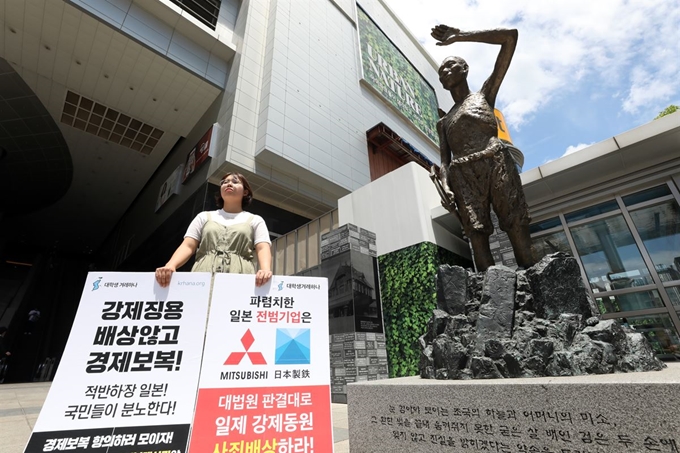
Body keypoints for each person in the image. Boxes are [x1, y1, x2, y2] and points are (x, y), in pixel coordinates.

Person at [432, 24, 534, 272]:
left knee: (515, 221)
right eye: (440, 70)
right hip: (463, 176)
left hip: (494, 160)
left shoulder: (484, 95)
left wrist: (461, 36)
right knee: (475, 233)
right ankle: (491, 290)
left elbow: (510, 38)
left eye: (450, 65)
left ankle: (532, 275)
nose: (444, 71)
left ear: (465, 69)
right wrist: (445, 186)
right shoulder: (443, 122)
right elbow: (445, 161)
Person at [155, 172, 273, 287]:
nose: (229, 184)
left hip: (240, 274)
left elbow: (262, 247)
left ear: (245, 192)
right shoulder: (204, 216)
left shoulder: (255, 220)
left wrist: (265, 270)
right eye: (224, 182)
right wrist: (171, 265)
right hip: (202, 274)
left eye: (235, 181)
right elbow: (188, 245)